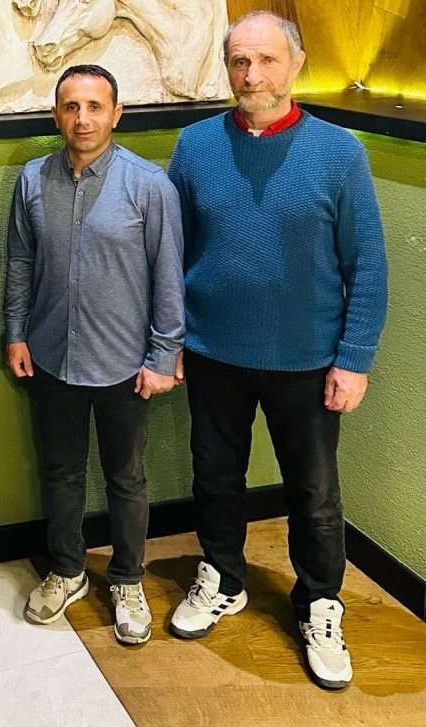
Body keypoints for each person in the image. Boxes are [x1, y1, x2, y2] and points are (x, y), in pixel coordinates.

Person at [166, 11, 388, 690]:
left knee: (314, 493)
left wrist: (354, 358)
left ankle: (320, 602)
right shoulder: (195, 146)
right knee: (215, 477)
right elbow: (171, 252)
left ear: (296, 64)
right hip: (213, 351)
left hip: (308, 360)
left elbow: (367, 264)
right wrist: (170, 339)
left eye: (265, 60)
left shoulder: (339, 152)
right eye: (239, 61)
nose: (251, 75)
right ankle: (222, 576)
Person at [5, 65, 185, 645]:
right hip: (51, 356)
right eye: (71, 107)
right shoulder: (32, 180)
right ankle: (67, 569)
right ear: (56, 115)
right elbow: (21, 263)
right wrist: (15, 333)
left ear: (116, 114)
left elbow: (168, 274)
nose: (82, 118)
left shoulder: (149, 185)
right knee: (59, 472)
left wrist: (163, 356)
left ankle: (127, 579)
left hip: (124, 364)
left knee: (126, 478)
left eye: (94, 106)